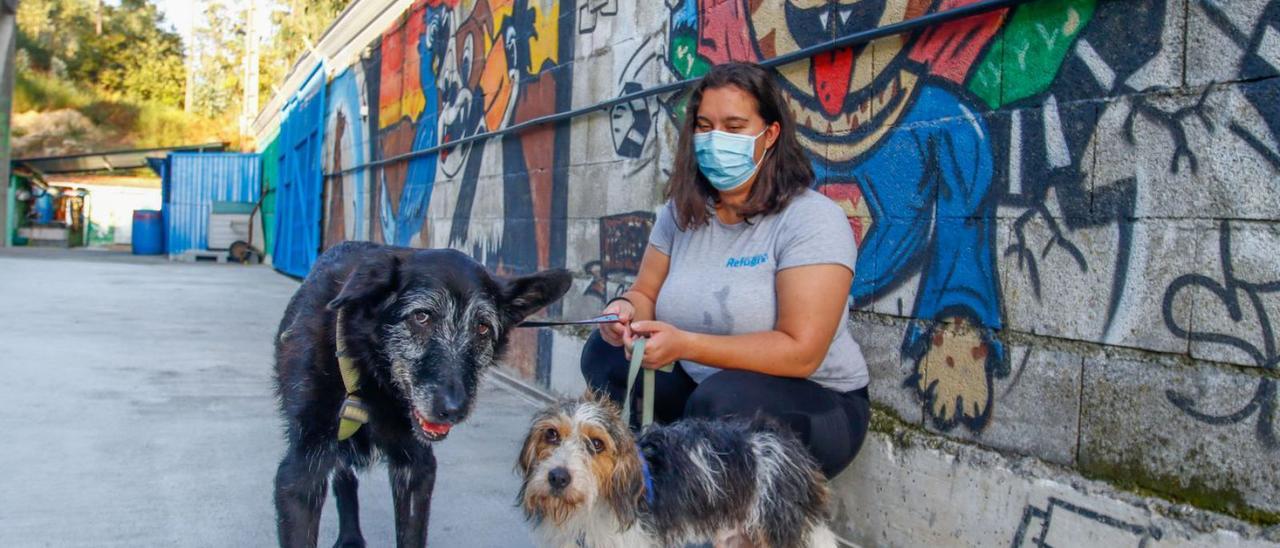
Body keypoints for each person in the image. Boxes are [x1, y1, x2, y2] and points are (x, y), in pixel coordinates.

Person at [580, 62, 870, 478]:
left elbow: (802, 352)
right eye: (705, 125)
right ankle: (632, 481)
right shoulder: (679, 214)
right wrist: (623, 311)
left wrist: (686, 345)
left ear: (770, 135)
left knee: (720, 403)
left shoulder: (811, 219)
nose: (716, 140)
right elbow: (644, 293)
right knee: (605, 354)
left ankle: (722, 521)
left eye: (734, 127)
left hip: (819, 404)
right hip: (708, 391)